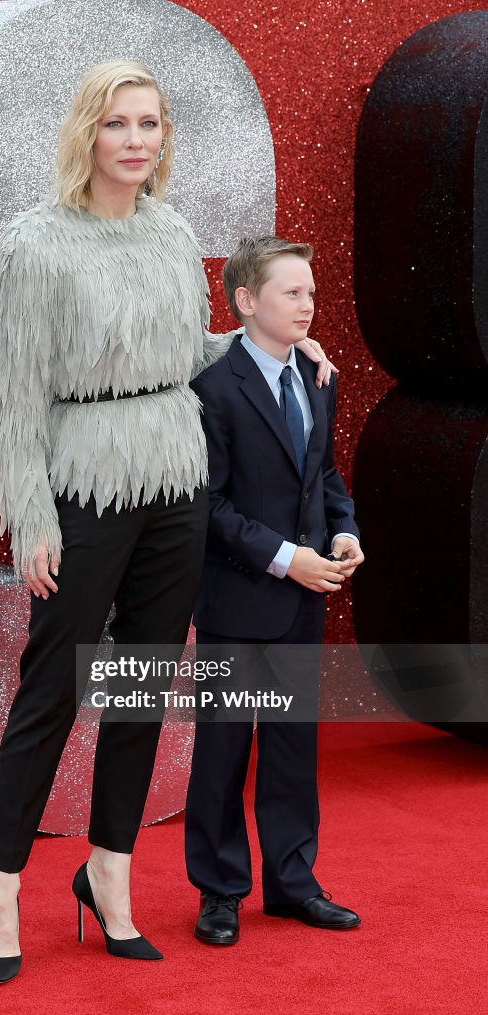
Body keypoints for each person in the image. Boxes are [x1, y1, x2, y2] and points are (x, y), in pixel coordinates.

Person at [0, 62, 334, 981]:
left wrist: (278, 337)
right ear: (86, 133)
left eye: (151, 123)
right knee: (52, 689)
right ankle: (3, 892)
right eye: (117, 123)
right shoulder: (36, 244)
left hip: (177, 481)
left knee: (137, 688)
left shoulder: (173, 233)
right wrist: (30, 516)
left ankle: (109, 875)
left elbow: (182, 352)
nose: (136, 140)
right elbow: (17, 398)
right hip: (84, 486)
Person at [184, 236, 364, 945]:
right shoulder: (213, 390)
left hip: (302, 602)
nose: (307, 304)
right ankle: (219, 890)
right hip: (237, 599)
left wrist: (344, 530)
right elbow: (207, 506)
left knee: (292, 752)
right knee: (223, 753)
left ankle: (293, 883)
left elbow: (324, 474)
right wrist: (288, 560)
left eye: (310, 292)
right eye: (292, 292)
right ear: (246, 302)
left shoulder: (318, 376)